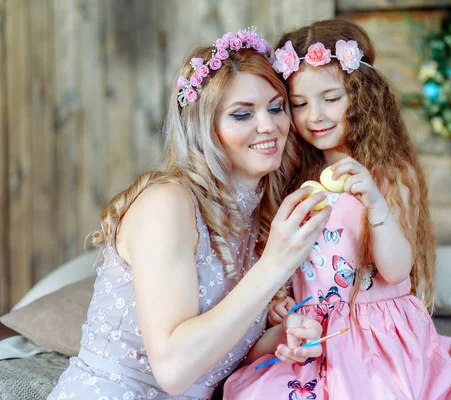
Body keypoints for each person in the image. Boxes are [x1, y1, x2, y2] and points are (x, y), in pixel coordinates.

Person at [48, 28, 330, 400]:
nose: (269, 125)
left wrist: (281, 338)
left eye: (276, 107)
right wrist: (274, 265)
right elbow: (175, 370)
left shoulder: (262, 214)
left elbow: (218, 357)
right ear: (204, 128)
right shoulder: (168, 204)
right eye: (242, 114)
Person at [223, 19, 451, 400]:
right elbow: (284, 261)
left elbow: (396, 270)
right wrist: (282, 305)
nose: (314, 115)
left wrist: (374, 203)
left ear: (361, 97)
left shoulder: (391, 175)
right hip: (312, 331)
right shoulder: (293, 175)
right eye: (298, 104)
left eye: (331, 98)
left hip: (372, 332)